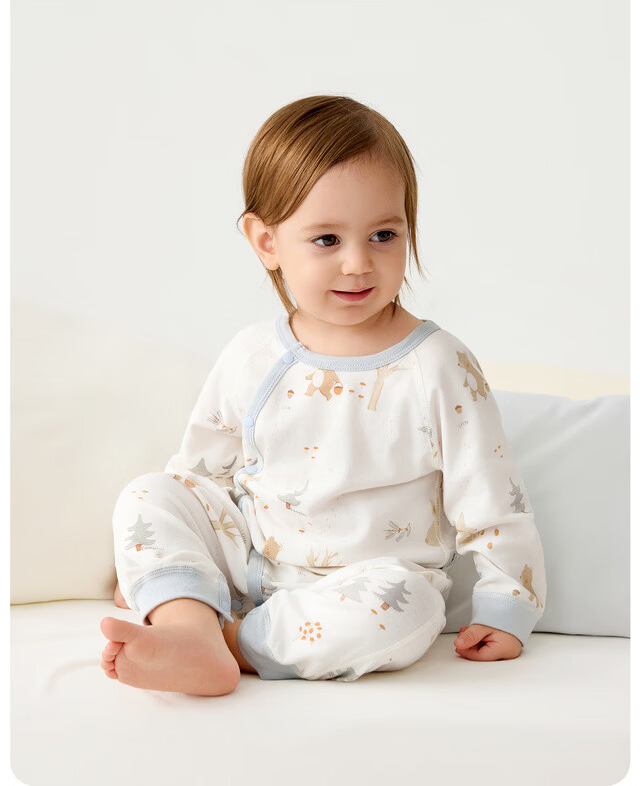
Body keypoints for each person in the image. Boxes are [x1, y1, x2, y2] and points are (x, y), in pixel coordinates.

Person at [100, 94, 546, 695]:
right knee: (148, 493)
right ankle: (187, 620)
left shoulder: (438, 365)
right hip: (248, 568)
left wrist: (507, 605)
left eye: (383, 234)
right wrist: (165, 564)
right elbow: (199, 476)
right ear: (266, 242)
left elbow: (493, 498)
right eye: (327, 240)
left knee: (408, 607)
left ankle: (221, 642)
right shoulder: (253, 354)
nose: (358, 263)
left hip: (362, 588)